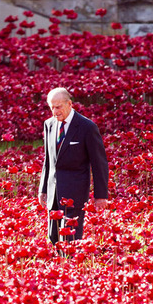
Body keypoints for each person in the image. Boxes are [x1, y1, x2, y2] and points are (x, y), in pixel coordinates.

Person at [38, 87, 109, 244]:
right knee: (53, 237)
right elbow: (48, 160)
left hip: (74, 192)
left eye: (58, 107)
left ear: (69, 104)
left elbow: (99, 163)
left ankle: (69, 266)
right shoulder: (49, 124)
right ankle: (58, 266)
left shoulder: (87, 127)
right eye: (52, 108)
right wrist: (43, 189)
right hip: (53, 192)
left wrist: (101, 195)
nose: (55, 111)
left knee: (70, 239)